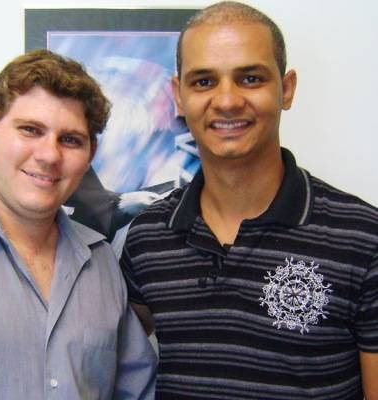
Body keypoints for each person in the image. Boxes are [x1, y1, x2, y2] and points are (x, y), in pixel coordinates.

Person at [120, 2, 378, 399]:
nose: (226, 101)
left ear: (286, 89)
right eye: (203, 82)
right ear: (178, 96)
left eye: (251, 78)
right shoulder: (147, 238)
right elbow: (104, 358)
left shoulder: (363, 237)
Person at [0, 49, 156, 399]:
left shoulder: (100, 263)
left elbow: (137, 391)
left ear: (91, 155)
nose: (49, 155)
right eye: (30, 130)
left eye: (70, 140)